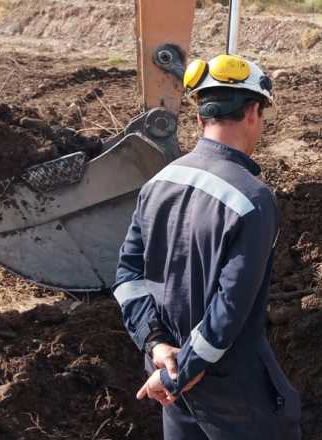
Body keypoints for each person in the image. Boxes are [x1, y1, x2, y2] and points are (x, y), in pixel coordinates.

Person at [112, 54, 300, 440]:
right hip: (230, 391)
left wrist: (157, 345)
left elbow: (128, 277)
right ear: (252, 112)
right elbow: (229, 307)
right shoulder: (252, 198)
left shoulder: (158, 183)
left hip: (173, 391)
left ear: (199, 118)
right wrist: (183, 369)